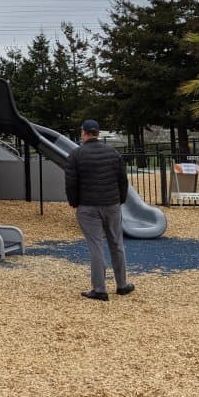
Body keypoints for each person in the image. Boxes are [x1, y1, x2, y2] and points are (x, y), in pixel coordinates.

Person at [64, 118, 135, 301]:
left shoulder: (76, 155)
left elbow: (71, 183)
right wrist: (120, 199)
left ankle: (99, 288)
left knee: (96, 246)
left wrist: (74, 202)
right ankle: (122, 284)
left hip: (87, 206)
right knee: (116, 244)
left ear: (84, 132)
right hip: (111, 204)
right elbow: (122, 180)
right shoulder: (112, 153)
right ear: (97, 133)